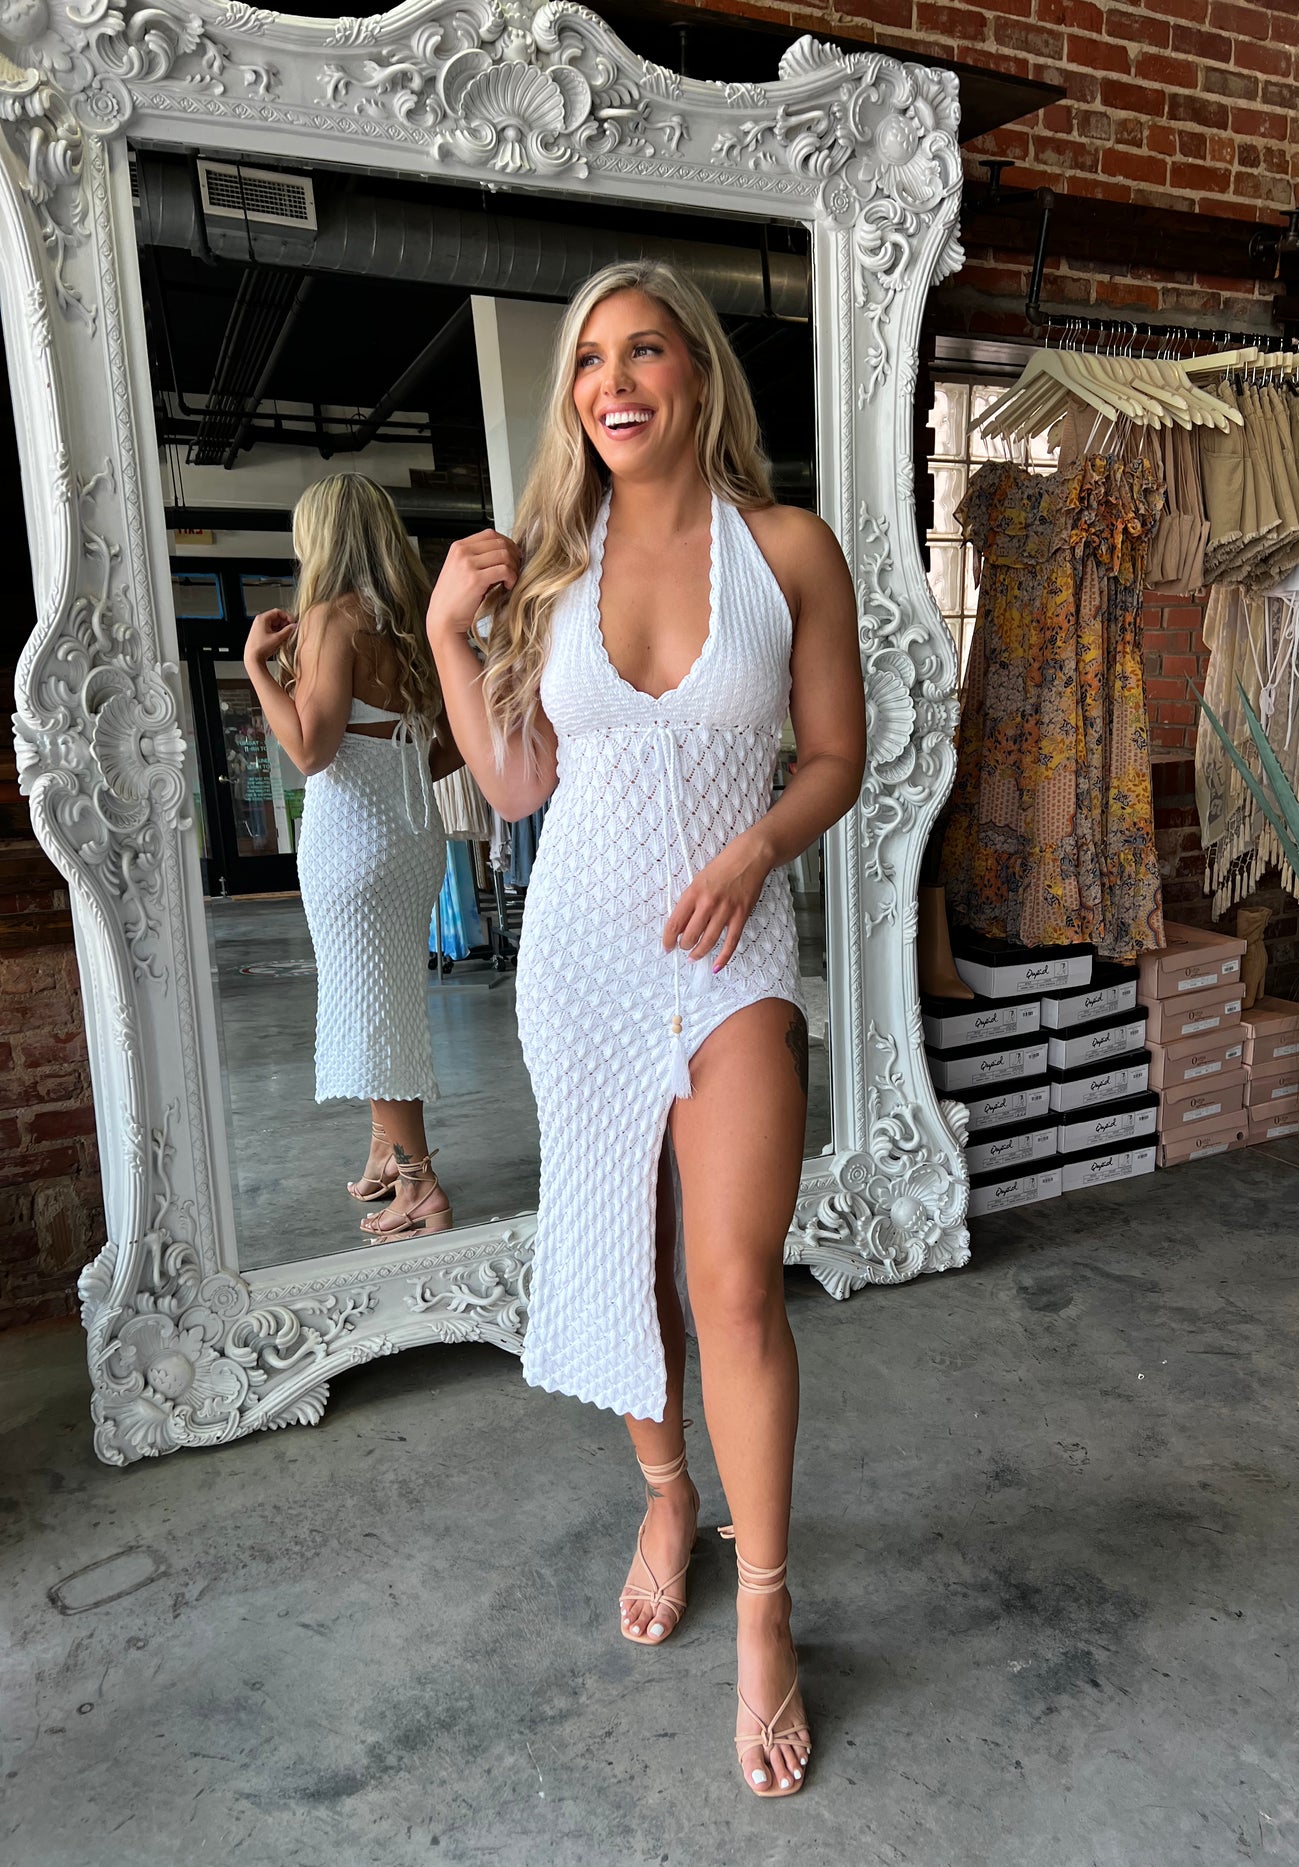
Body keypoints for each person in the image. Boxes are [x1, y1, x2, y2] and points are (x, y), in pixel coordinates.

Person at [426, 260, 864, 1799]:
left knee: (735, 1284)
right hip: (585, 960)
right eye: (590, 360)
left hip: (736, 952)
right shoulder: (553, 565)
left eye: (645, 350)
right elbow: (517, 785)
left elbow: (834, 753)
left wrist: (755, 850)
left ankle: (769, 1609)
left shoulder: (787, 547)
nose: (614, 381)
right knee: (623, 1264)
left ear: (697, 375)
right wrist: (448, 632)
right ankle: (670, 1495)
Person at [242, 472, 463, 1240]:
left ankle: (419, 1184)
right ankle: (383, 1152)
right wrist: (395, 765)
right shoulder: (414, 625)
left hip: (352, 844)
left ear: (321, 539)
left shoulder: (330, 620)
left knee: (371, 1011)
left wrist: (257, 670)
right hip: (410, 839)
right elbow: (451, 745)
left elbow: (309, 749)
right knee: (386, 997)